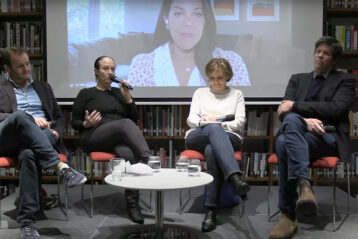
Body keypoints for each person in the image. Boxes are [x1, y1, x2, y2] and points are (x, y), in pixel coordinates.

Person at [269, 36, 356, 239]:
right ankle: (304, 186)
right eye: (318, 51)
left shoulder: (346, 80)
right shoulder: (297, 78)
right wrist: (304, 121)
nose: (320, 56)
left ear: (334, 60)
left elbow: (335, 109)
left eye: (326, 54)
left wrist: (297, 108)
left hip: (327, 136)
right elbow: (283, 112)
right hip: (298, 134)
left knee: (284, 141)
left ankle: (287, 215)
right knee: (286, 134)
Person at [0, 47, 87, 239]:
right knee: (21, 117)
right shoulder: (1, 89)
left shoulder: (43, 88)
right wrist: (29, 118)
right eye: (20, 66)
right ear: (7, 68)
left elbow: (58, 118)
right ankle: (60, 166)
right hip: (8, 137)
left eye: (27, 64)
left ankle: (27, 223)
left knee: (29, 154)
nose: (26, 69)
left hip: (40, 139)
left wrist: (56, 132)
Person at [71, 56, 153, 224]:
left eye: (113, 69)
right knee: (124, 124)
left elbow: (135, 119)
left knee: (129, 155)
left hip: (117, 139)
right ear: (96, 71)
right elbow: (74, 122)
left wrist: (128, 98)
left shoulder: (119, 92)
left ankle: (133, 205)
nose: (110, 72)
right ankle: (148, 159)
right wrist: (86, 123)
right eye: (105, 68)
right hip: (94, 136)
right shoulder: (86, 93)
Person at [185, 58, 250, 232]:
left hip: (230, 137)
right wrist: (205, 121)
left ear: (228, 76)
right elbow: (191, 120)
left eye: (220, 78)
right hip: (198, 135)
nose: (215, 82)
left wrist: (218, 124)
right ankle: (235, 177)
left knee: (212, 150)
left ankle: (211, 210)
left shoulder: (237, 94)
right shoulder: (200, 93)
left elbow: (240, 122)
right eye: (212, 78)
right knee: (213, 130)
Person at [128, 0, 250, 87]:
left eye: (197, 14)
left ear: (206, 21)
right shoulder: (142, 65)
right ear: (166, 18)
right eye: (178, 14)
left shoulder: (233, 63)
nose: (188, 23)